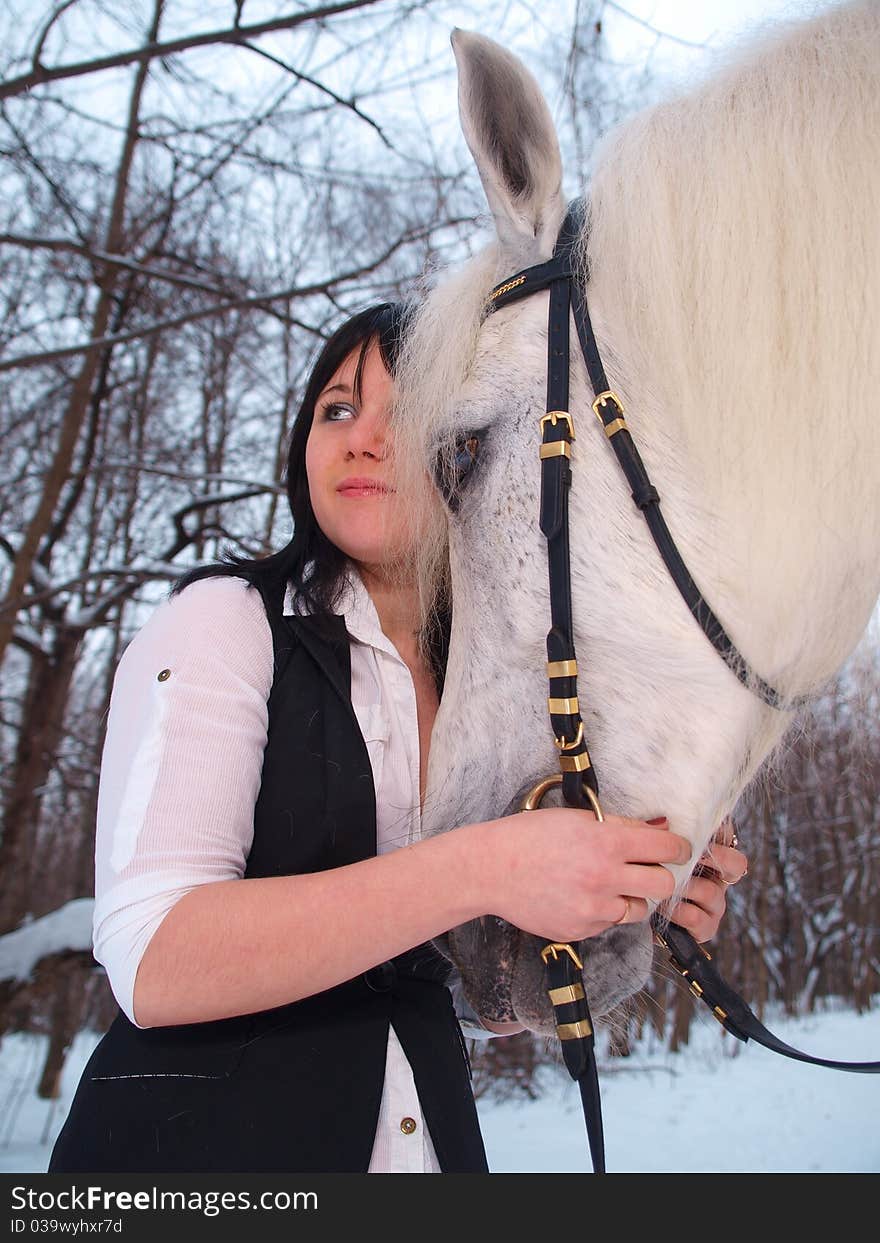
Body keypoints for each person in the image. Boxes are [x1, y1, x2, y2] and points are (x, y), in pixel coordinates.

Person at [48, 301, 747, 1175]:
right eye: (336, 408)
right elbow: (156, 960)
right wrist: (489, 866)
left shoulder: (490, 698)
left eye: (406, 411)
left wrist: (612, 905)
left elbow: (461, 1000)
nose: (361, 439)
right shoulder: (229, 620)